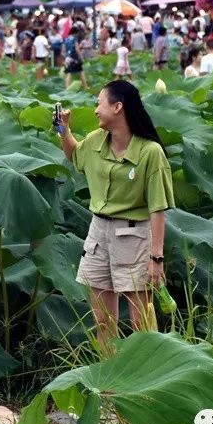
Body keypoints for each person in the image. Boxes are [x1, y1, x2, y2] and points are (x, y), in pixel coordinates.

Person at [55, 81, 174, 354]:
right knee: (103, 321)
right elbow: (75, 155)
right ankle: (108, 377)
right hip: (98, 234)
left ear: (118, 107)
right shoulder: (96, 140)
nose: (96, 110)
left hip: (134, 235)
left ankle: (146, 377)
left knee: (140, 324)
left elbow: (158, 208)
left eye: (100, 103)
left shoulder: (150, 152)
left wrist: (156, 258)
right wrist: (63, 130)